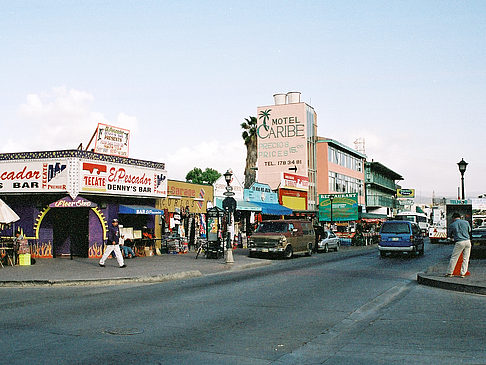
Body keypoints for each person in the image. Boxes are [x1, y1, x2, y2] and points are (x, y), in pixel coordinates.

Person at [445, 212, 471, 277]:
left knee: (454, 257)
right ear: (460, 217)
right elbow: (469, 230)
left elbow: (449, 235)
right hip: (468, 241)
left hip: (459, 242)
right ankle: (463, 273)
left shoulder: (452, 225)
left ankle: (449, 272)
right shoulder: (466, 222)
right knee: (466, 258)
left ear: (453, 218)